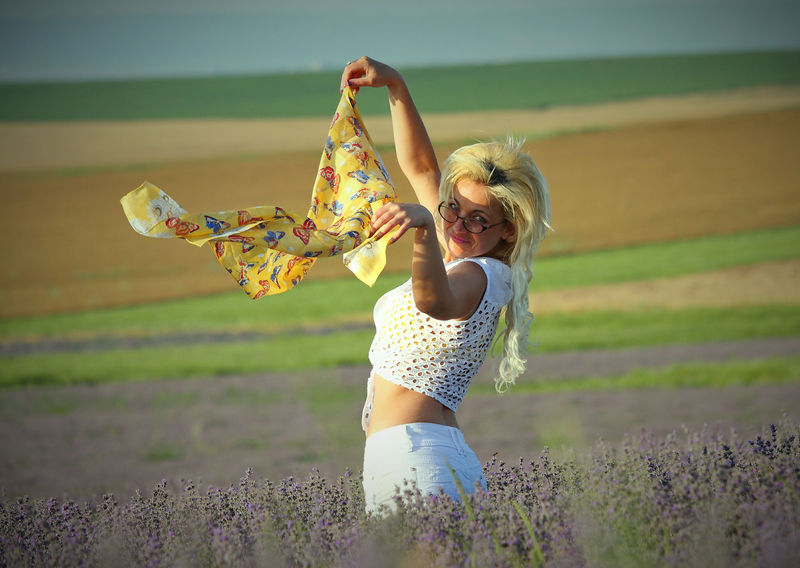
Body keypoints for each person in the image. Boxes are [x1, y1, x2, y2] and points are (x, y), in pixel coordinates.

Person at [340, 57, 551, 513]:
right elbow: (420, 167)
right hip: (410, 456)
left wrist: (422, 230)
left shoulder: (485, 275)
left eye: (478, 218)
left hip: (418, 460)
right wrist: (395, 85)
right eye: (452, 208)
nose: (457, 224)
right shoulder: (459, 246)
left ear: (507, 230)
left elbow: (435, 300)